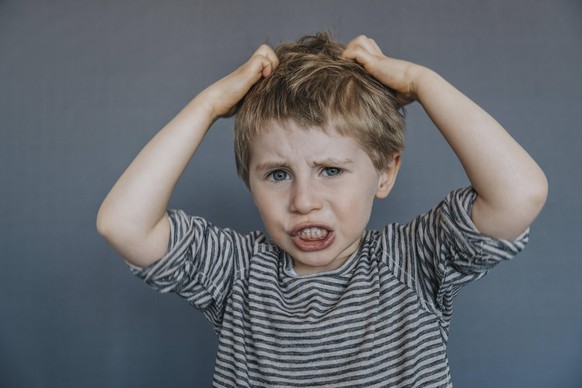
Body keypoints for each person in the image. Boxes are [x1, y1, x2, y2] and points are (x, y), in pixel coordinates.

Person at [97, 33, 547, 387]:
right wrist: (209, 106)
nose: (303, 201)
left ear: (386, 172)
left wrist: (420, 81)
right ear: (249, 183)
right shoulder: (237, 273)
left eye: (330, 169)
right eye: (277, 174)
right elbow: (124, 224)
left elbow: (519, 194)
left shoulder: (414, 260)